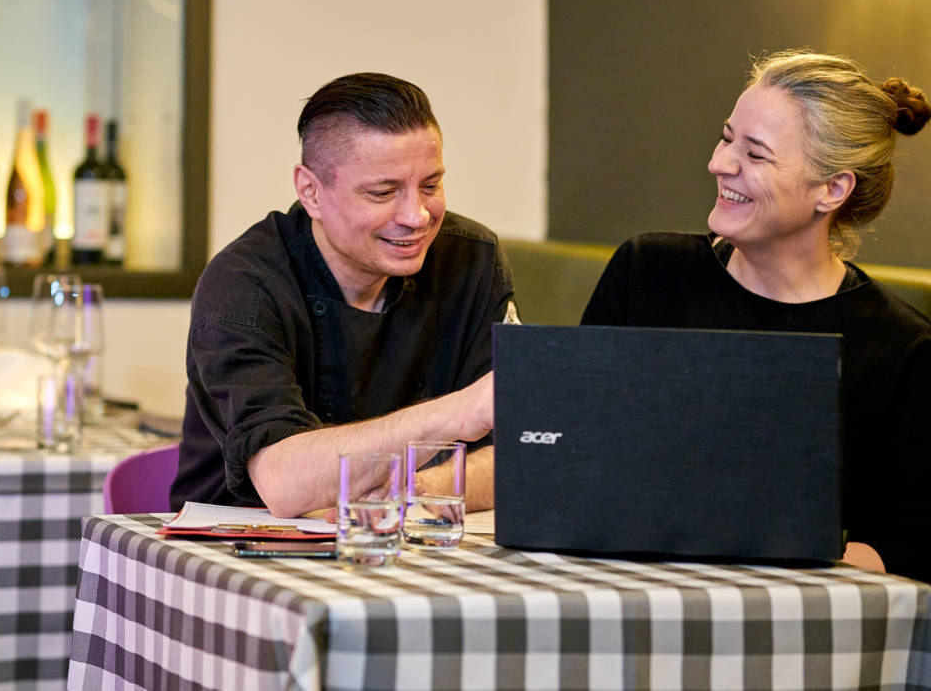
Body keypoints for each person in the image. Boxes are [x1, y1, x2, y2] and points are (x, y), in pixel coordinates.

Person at [581, 49, 931, 583]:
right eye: (726, 137)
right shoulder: (648, 270)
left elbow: (909, 546)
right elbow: (574, 452)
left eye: (756, 154)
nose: (719, 163)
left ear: (832, 189)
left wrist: (744, 562)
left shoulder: (901, 348)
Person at [171, 73, 517, 517]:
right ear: (311, 192)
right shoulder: (245, 284)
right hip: (240, 557)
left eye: (430, 186)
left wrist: (410, 489)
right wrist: (451, 415)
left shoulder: (473, 261)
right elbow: (283, 482)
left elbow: (521, 454)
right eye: (383, 192)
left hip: (407, 547)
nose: (416, 216)